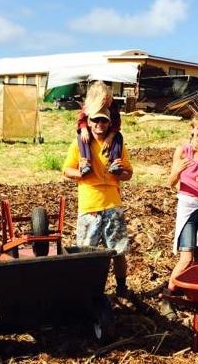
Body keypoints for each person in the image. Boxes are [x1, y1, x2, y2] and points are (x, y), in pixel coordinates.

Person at [62, 108, 133, 296]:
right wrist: (80, 173)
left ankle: (121, 288)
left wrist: (120, 173)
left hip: (112, 204)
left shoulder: (117, 144)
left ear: (109, 123)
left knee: (118, 251)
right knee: (85, 253)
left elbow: (129, 173)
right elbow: (67, 170)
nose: (100, 125)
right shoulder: (80, 144)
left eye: (104, 121)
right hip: (89, 205)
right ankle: (85, 290)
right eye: (96, 121)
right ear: (89, 122)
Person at [161, 114, 198, 318]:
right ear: (192, 130)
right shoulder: (183, 151)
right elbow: (170, 182)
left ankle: (197, 295)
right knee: (186, 257)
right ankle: (168, 297)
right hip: (188, 207)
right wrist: (177, 170)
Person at [76, 81, 124, 176]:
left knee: (118, 137)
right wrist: (84, 129)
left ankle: (114, 162)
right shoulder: (89, 106)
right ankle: (86, 163)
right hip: (92, 129)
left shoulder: (112, 106)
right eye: (104, 101)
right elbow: (81, 118)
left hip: (108, 129)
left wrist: (110, 137)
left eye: (108, 100)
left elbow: (116, 123)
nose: (107, 103)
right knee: (81, 136)